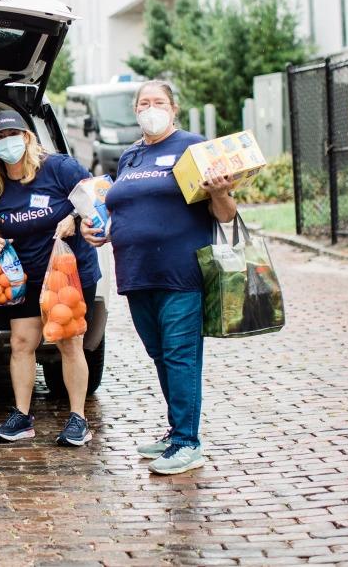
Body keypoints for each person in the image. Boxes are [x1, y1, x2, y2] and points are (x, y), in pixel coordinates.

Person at [81, 80, 235, 475]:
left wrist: (221, 192)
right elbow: (121, 211)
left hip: (181, 272)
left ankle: (188, 442)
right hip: (136, 274)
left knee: (181, 356)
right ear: (135, 111)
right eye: (144, 103)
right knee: (160, 354)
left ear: (173, 108)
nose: (151, 108)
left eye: (159, 102)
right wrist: (101, 228)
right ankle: (175, 432)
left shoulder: (192, 147)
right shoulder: (130, 156)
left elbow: (225, 214)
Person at [0, 110, 101, 446]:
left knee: (69, 342)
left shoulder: (58, 167)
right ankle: (22, 418)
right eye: (0, 139)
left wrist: (75, 217)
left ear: (28, 137)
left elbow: (95, 194)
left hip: (68, 274)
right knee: (21, 343)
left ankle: (78, 420)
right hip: (24, 277)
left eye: (13, 135)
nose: (8, 144)